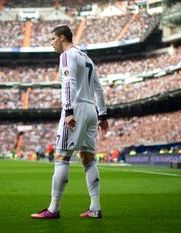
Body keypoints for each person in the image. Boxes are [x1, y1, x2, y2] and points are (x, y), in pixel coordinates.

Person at [31, 25, 109, 219]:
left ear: (63, 38)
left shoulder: (66, 55)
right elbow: (98, 88)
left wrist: (68, 111)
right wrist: (103, 115)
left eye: (53, 39)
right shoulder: (87, 57)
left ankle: (53, 208)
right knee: (88, 159)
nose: (51, 43)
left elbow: (69, 83)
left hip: (76, 109)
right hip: (91, 110)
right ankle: (95, 208)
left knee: (61, 157)